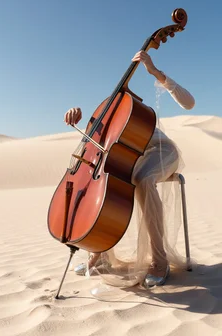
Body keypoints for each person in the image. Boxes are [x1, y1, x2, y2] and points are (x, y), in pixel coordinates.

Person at [64, 50, 195, 289]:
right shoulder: (109, 111)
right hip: (133, 156)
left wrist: (156, 73)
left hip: (161, 151)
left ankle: (159, 260)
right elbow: (98, 142)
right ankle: (101, 253)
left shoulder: (132, 110)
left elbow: (189, 103)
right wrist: (77, 118)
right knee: (109, 182)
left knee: (143, 178)